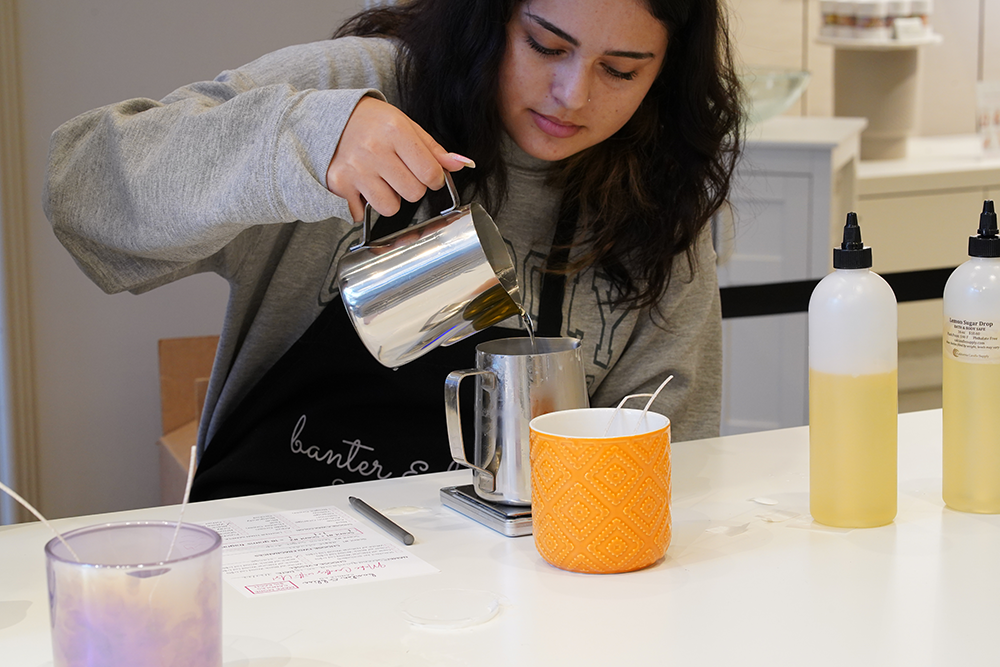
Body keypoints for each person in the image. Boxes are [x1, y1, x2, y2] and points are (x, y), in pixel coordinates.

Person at [44, 0, 743, 500]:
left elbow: (671, 468)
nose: (571, 94)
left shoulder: (658, 203)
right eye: (545, 45)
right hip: (267, 570)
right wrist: (306, 143)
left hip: (501, 606)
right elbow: (79, 192)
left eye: (621, 71)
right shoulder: (358, 87)